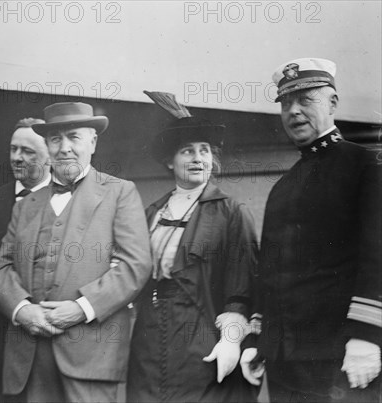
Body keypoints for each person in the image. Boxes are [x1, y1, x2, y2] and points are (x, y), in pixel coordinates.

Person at [0, 102, 152, 402]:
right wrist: (23, 310)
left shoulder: (119, 193)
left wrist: (82, 308)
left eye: (74, 137)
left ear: (93, 141)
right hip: (29, 357)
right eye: (55, 139)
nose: (64, 148)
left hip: (90, 359)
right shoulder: (26, 205)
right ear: (47, 146)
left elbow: (135, 265)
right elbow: (1, 270)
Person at [241, 58, 381, 402]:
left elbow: (377, 257)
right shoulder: (283, 186)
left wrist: (367, 336)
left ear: (332, 103)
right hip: (283, 360)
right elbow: (269, 271)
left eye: (306, 100)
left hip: (342, 357)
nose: (294, 111)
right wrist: (256, 340)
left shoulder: (366, 166)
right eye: (286, 103)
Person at [126, 92, 259, 402]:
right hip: (148, 336)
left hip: (201, 338)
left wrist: (230, 340)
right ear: (169, 162)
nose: (198, 158)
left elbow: (243, 289)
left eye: (204, 150)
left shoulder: (231, 213)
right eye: (187, 151)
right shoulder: (152, 213)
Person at [0, 117, 51, 267]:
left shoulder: (66, 200)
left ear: (50, 156)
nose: (16, 158)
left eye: (27, 151)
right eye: (13, 149)